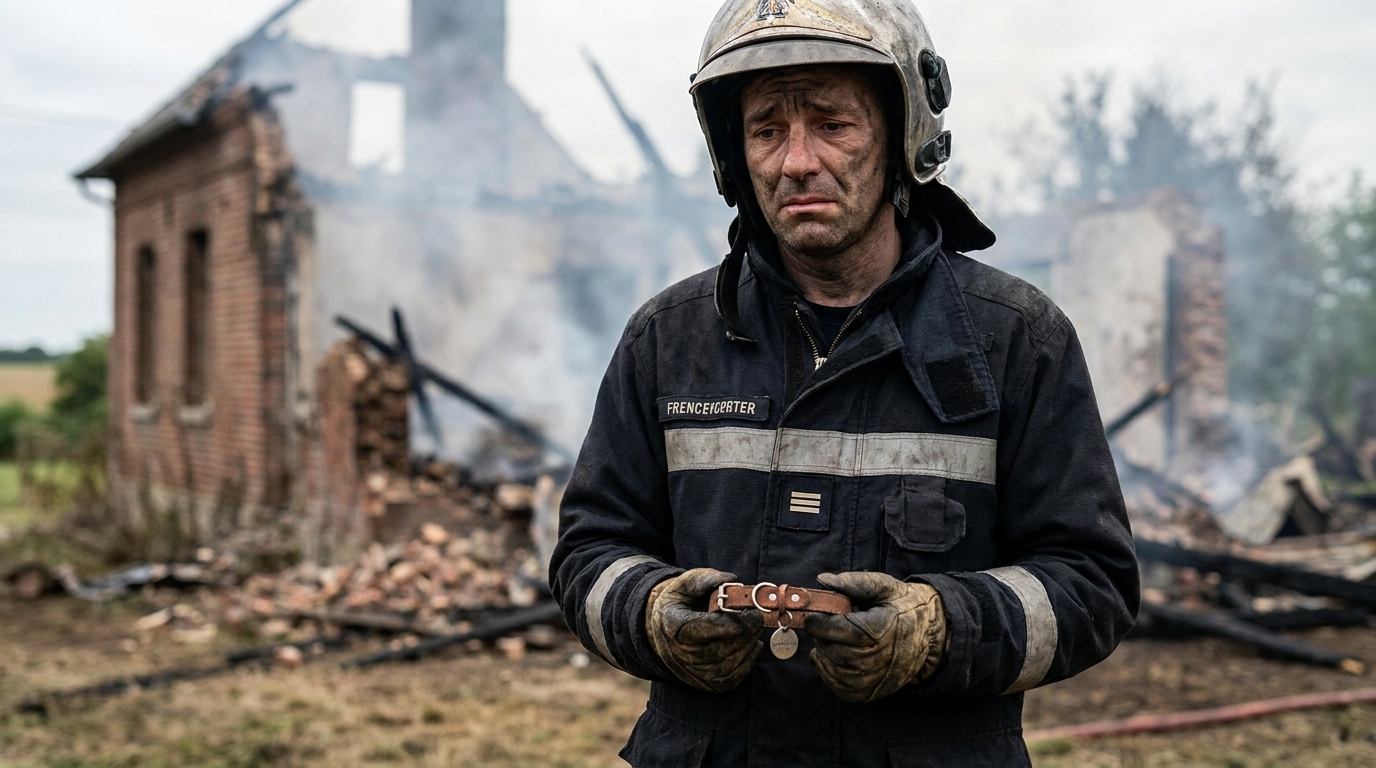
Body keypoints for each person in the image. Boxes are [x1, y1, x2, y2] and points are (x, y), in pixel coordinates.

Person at [550, 0, 1139, 765]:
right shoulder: (669, 341)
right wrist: (654, 612)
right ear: (736, 154)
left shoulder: (1015, 341)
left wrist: (939, 628)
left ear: (904, 135)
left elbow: (1094, 584)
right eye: (767, 129)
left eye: (832, 122)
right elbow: (588, 553)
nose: (796, 161)